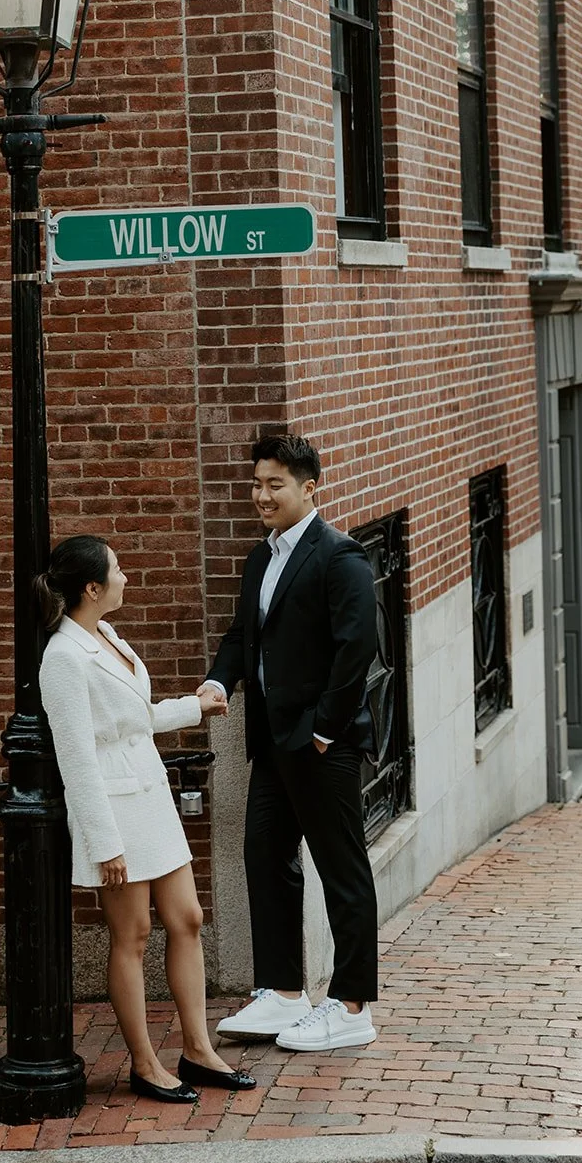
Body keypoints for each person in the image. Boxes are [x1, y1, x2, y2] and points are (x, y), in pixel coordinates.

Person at [36, 534, 256, 1103]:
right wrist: (104, 842)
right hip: (112, 810)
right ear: (91, 587)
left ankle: (198, 1049)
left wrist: (194, 707)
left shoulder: (105, 634)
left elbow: (133, 720)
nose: (125, 577)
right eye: (116, 570)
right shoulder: (62, 657)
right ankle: (144, 1063)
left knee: (187, 918)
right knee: (131, 935)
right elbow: (77, 757)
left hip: (150, 795)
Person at [203, 433, 381, 1053]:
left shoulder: (341, 556)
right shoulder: (261, 558)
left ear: (310, 488)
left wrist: (327, 730)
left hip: (322, 744)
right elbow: (242, 635)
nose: (261, 495)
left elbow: (358, 647)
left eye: (275, 484)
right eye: (257, 483)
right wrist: (216, 682)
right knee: (264, 852)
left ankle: (352, 1004)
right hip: (273, 744)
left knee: (341, 870)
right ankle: (281, 994)